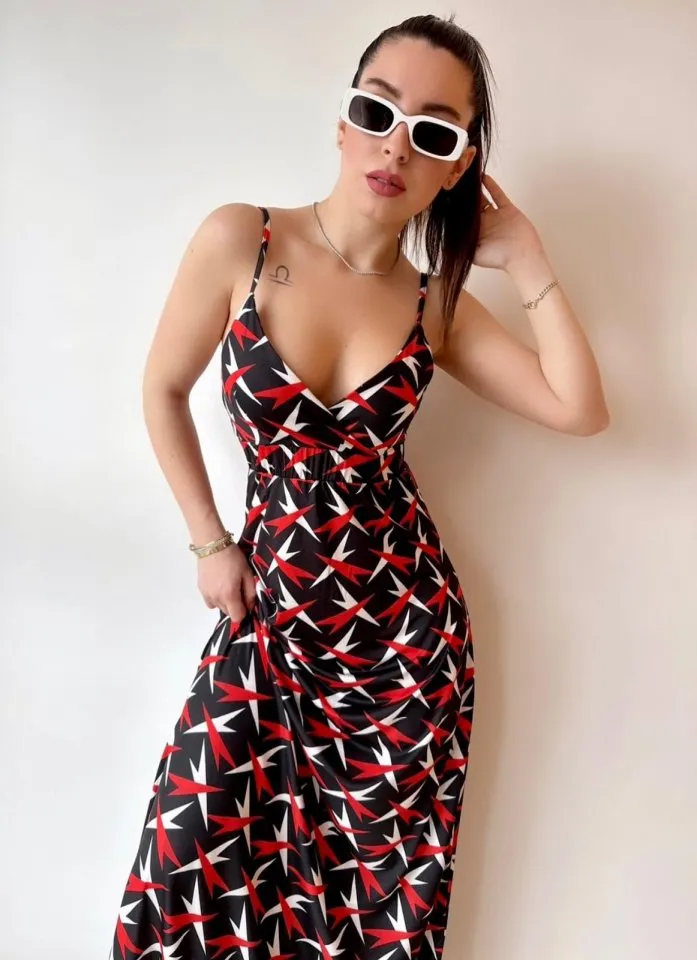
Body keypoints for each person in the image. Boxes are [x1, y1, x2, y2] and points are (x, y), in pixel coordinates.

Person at [109, 13, 609, 960]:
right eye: (376, 111)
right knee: (188, 885)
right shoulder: (241, 238)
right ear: (342, 123)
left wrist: (526, 258)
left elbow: (578, 409)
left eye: (433, 132)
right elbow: (161, 389)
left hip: (402, 645)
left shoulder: (433, 305)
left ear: (456, 167)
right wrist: (209, 541)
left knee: (373, 916)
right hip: (267, 618)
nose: (395, 146)